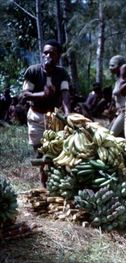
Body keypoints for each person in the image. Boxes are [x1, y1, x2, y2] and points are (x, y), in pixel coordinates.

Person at [21, 39, 71, 187]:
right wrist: (43, 95)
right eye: (45, 53)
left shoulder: (61, 73)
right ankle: (44, 182)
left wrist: (68, 113)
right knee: (41, 152)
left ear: (58, 57)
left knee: (56, 151)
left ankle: (57, 182)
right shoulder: (33, 71)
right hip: (36, 116)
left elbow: (65, 94)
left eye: (52, 53)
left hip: (55, 117)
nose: (48, 56)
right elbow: (25, 94)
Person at [108, 55, 126, 137]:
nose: (110, 68)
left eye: (112, 65)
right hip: (118, 113)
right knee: (107, 133)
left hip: (125, 113)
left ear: (120, 66)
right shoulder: (118, 79)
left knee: (110, 136)